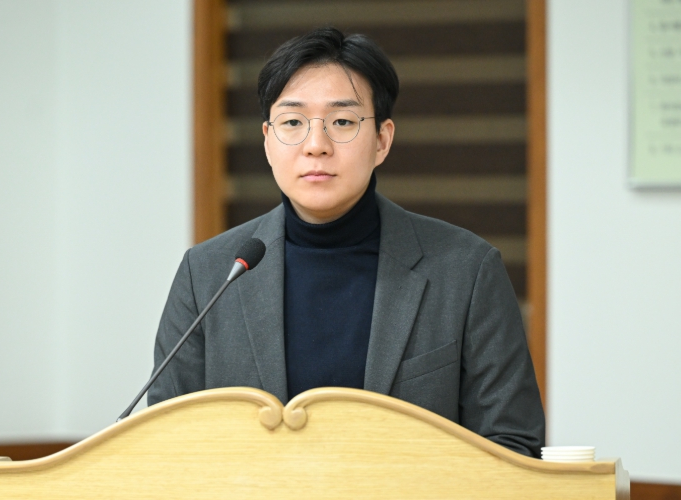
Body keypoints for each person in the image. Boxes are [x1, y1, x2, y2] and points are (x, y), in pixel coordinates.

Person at [148, 27, 545, 458]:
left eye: (342, 122)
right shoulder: (208, 275)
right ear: (267, 141)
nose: (316, 145)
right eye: (293, 122)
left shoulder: (466, 270)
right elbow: (168, 446)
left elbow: (513, 445)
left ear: (382, 141)